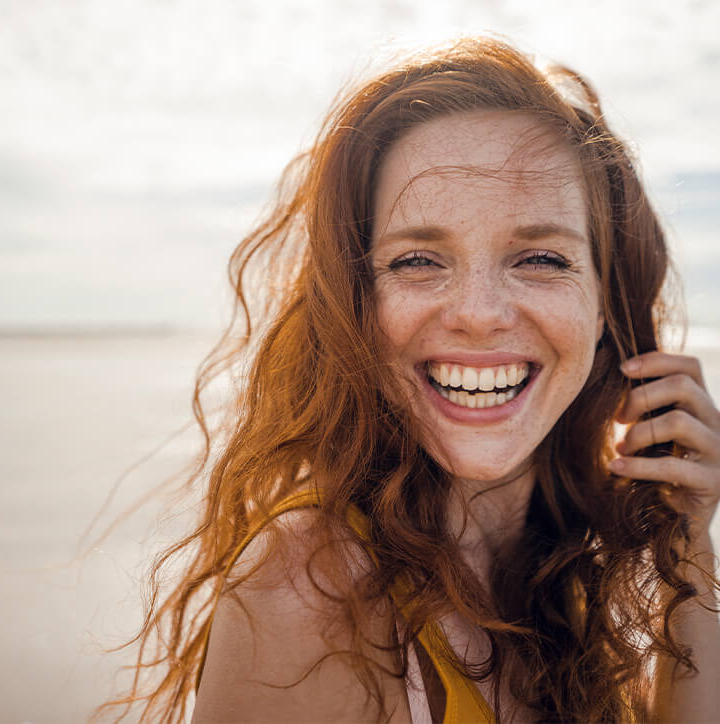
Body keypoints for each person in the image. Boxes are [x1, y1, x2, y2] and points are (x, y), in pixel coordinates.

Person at [99, 37, 720, 723]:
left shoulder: (557, 569)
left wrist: (688, 544)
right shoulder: (313, 591)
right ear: (355, 308)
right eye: (417, 260)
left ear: (608, 306)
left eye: (541, 258)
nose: (480, 315)